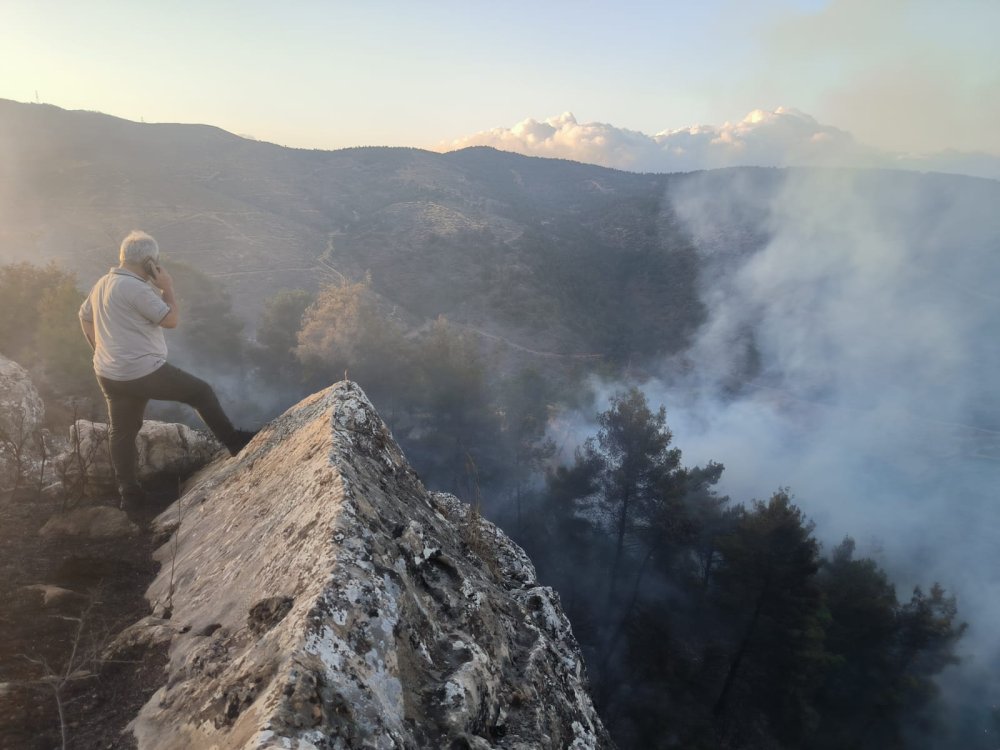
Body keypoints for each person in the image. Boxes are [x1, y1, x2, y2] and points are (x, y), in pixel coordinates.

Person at [79, 230, 253, 507]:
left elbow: (84, 316)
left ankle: (130, 495)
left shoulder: (103, 282)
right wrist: (167, 288)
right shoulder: (135, 288)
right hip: (142, 371)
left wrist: (98, 349)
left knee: (122, 431)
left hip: (109, 373)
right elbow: (170, 320)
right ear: (149, 262)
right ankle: (235, 443)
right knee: (201, 392)